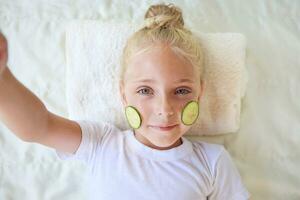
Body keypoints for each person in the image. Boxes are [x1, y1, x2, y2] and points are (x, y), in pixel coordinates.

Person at [0, 3, 250, 200]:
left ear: (200, 93)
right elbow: (38, 126)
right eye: (145, 90)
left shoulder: (213, 161)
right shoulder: (102, 144)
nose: (164, 109)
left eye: (182, 91)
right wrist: (2, 77)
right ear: (123, 94)